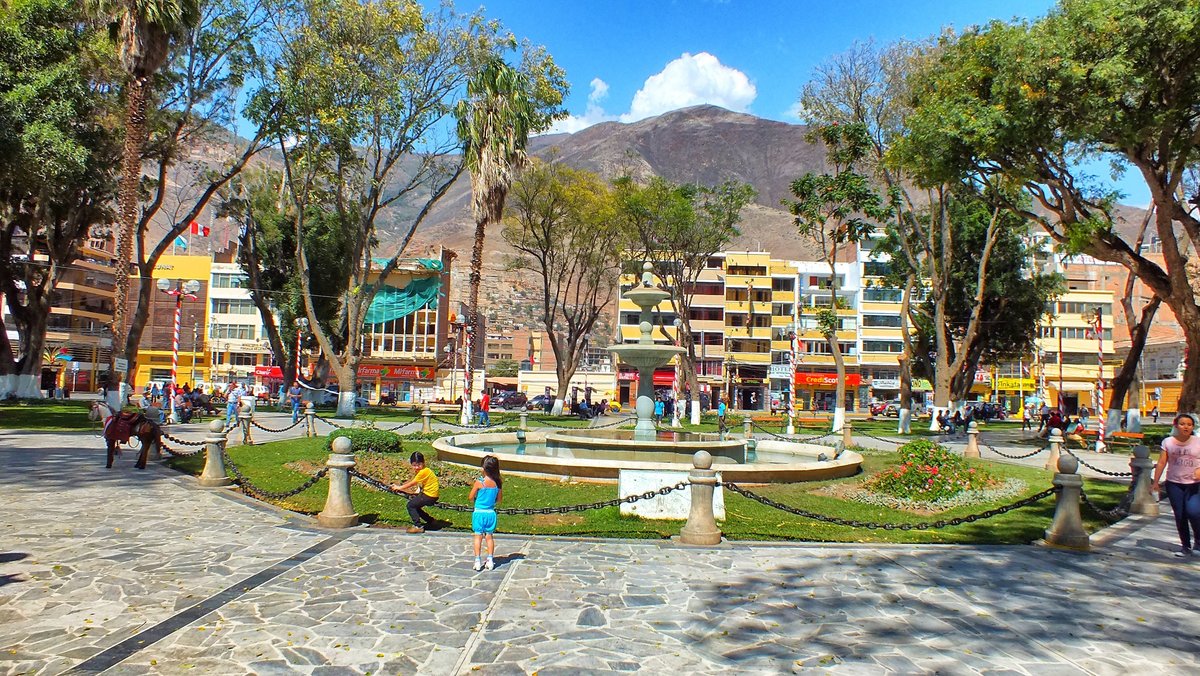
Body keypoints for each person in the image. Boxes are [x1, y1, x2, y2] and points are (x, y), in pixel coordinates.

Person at [1151, 413, 1200, 558]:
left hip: (1194, 484)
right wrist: (1155, 483)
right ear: (1176, 425)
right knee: (1180, 515)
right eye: (1182, 424)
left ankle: (1198, 542)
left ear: (1193, 427)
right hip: (1174, 484)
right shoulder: (1168, 442)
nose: (1186, 427)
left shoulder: (1198, 442)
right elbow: (1161, 462)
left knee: (1194, 512)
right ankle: (1185, 546)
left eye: (1189, 425)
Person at [391, 451, 440, 534]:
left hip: (429, 496)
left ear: (423, 463)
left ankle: (418, 526)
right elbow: (422, 483)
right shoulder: (424, 470)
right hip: (430, 494)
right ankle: (431, 520)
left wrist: (399, 487)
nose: (417, 467)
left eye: (419, 464)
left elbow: (412, 483)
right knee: (416, 506)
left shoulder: (423, 471)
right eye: (414, 465)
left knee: (410, 505)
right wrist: (418, 492)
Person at [469, 455, 503, 571]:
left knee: (478, 537)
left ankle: (477, 561)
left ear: (484, 468)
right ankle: (490, 560)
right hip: (490, 513)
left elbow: (470, 496)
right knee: (489, 537)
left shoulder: (480, 482)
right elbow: (499, 500)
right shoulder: (497, 483)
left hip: (479, 513)